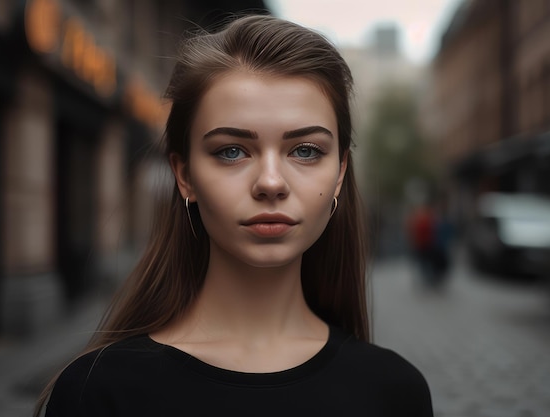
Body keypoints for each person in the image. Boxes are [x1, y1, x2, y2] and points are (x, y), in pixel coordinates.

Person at [36, 15, 433, 417]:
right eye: (231, 151)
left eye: (306, 150)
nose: (271, 182)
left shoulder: (395, 393)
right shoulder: (97, 393)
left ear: (339, 174)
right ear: (185, 175)